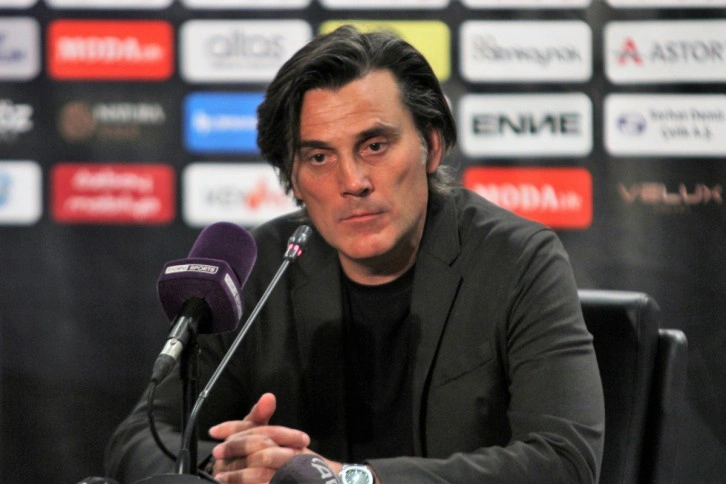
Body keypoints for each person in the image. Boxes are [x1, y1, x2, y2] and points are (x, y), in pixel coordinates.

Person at [105, 25, 604, 484]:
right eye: (319, 157)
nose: (352, 182)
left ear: (431, 147)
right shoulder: (263, 267)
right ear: (294, 178)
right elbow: (139, 440)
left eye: (375, 146)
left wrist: (348, 479)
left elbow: (564, 461)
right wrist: (230, 466)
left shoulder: (516, 261)